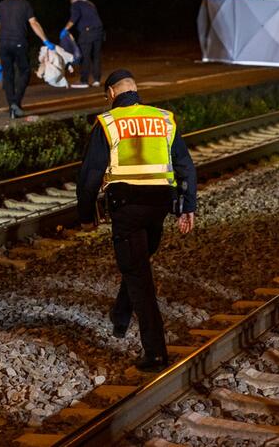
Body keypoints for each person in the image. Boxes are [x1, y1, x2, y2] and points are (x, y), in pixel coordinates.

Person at [76, 69, 197, 372]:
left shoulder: (108, 122)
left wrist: (86, 215)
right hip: (159, 206)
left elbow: (90, 175)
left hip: (127, 208)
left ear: (112, 94)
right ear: (135, 89)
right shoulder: (163, 118)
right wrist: (188, 207)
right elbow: (185, 165)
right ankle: (119, 316)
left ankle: (156, 353)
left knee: (139, 279)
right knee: (137, 265)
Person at [0, 0, 55, 119]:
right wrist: (45, 40)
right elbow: (34, 23)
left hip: (3, 44)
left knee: (8, 74)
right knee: (24, 71)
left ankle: (12, 108)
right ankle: (16, 102)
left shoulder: (1, 5)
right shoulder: (25, 5)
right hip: (20, 43)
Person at [61, 0, 104, 88]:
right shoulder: (90, 3)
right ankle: (96, 80)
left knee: (85, 56)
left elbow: (73, 18)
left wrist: (65, 29)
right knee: (96, 56)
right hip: (99, 31)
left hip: (87, 32)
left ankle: (84, 81)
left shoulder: (76, 4)